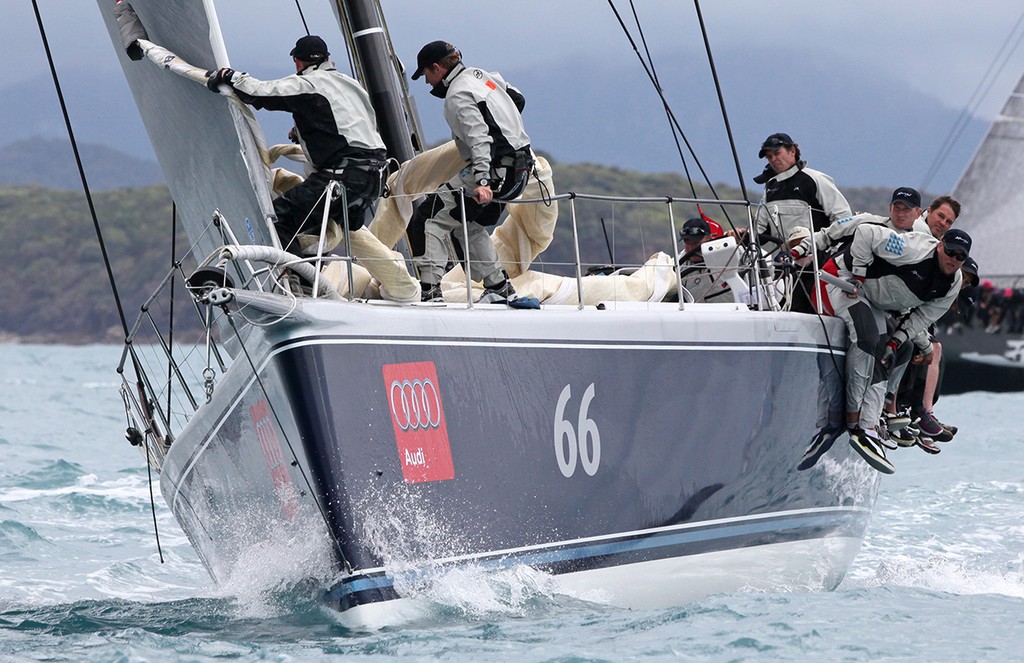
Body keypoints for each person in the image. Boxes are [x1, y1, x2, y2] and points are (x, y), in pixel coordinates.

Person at [206, 36, 418, 301]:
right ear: (327, 57)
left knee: (282, 219)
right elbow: (355, 123)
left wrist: (231, 76)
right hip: (374, 177)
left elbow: (259, 92)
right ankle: (317, 282)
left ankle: (298, 288)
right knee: (316, 224)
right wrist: (308, 129)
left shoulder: (306, 84)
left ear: (297, 60)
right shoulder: (351, 85)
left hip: (344, 176)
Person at [816, 226, 970, 474]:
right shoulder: (914, 249)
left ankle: (869, 424)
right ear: (940, 245)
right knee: (867, 340)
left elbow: (921, 318)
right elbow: (865, 233)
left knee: (892, 353)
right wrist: (859, 274)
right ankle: (854, 422)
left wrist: (896, 340)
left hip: (876, 304)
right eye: (950, 251)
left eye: (960, 256)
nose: (953, 259)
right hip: (843, 280)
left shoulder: (953, 283)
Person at [411, 40, 534, 303]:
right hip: (520, 171)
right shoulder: (482, 77)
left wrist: (482, 180)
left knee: (428, 218)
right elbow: (517, 99)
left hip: (494, 173)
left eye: (426, 75)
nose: (427, 83)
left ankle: (430, 292)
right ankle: (498, 288)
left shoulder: (457, 95)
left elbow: (480, 139)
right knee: (468, 224)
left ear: (437, 68)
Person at [756, 132, 851, 312]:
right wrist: (740, 236)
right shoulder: (770, 188)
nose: (773, 160)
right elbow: (760, 231)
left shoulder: (815, 180)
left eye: (777, 153)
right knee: (785, 313)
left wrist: (832, 256)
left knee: (815, 314)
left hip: (817, 265)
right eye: (769, 157)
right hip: (784, 267)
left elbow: (844, 220)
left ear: (792, 151)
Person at [673, 217, 733, 303]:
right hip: (699, 314)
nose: (691, 248)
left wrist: (740, 237)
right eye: (687, 243)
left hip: (735, 312)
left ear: (708, 238)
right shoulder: (678, 263)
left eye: (695, 243)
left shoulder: (730, 253)